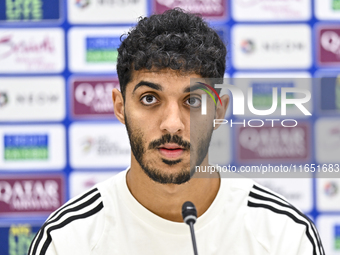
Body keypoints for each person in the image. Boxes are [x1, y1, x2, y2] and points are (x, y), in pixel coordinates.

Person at [28, 8, 324, 255]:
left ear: (219, 111)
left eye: (193, 101)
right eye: (149, 99)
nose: (172, 123)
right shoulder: (68, 240)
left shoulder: (286, 236)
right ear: (120, 107)